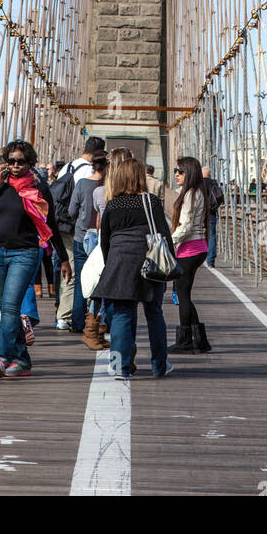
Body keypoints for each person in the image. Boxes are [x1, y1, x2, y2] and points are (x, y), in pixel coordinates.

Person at [0, 138, 70, 377]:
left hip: (24, 253)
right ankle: (22, 359)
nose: (15, 165)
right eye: (10, 161)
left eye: (20, 161)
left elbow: (52, 224)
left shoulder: (38, 188)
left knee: (9, 306)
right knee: (8, 309)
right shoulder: (1, 186)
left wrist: (64, 257)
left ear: (30, 163)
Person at [93, 156, 175, 380]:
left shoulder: (113, 204)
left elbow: (105, 239)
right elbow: (164, 236)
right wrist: (171, 266)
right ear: (140, 177)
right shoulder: (151, 202)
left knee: (121, 315)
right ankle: (159, 365)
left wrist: (110, 262)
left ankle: (121, 368)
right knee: (154, 313)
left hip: (120, 262)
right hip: (150, 262)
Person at [51, 135, 105, 331]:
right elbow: (84, 205)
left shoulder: (67, 167)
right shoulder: (88, 173)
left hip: (60, 224)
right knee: (79, 274)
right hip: (79, 230)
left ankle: (63, 313)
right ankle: (72, 316)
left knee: (66, 268)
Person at [169, 156, 212, 354]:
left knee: (181, 293)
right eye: (175, 171)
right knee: (183, 292)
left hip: (189, 248)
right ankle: (199, 341)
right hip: (198, 247)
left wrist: (170, 241)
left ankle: (185, 340)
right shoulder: (196, 193)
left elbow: (185, 225)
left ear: (190, 173)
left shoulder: (190, 195)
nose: (176, 174)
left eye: (180, 171)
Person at [70, 153, 109, 350]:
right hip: (103, 240)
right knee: (101, 283)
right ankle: (99, 324)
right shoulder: (110, 188)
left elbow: (71, 211)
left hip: (81, 236)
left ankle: (78, 322)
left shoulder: (83, 184)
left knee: (82, 280)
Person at [202, 165, 224, 269]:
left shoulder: (198, 184)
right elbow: (220, 197)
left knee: (197, 235)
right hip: (211, 212)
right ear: (210, 174)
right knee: (211, 236)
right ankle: (210, 262)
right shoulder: (214, 184)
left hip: (200, 213)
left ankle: (199, 258)